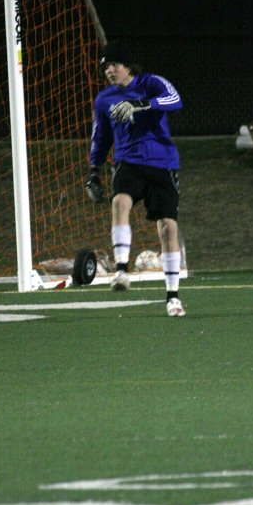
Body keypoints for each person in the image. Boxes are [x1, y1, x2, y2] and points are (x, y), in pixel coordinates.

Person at [85, 40, 186, 317]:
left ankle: (173, 298)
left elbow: (175, 101)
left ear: (128, 65)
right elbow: (101, 137)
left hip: (162, 162)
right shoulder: (104, 99)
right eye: (105, 66)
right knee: (119, 202)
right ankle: (120, 271)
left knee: (167, 227)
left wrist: (140, 105)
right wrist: (94, 172)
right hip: (128, 162)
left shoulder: (151, 83)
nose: (109, 70)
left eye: (115, 64)